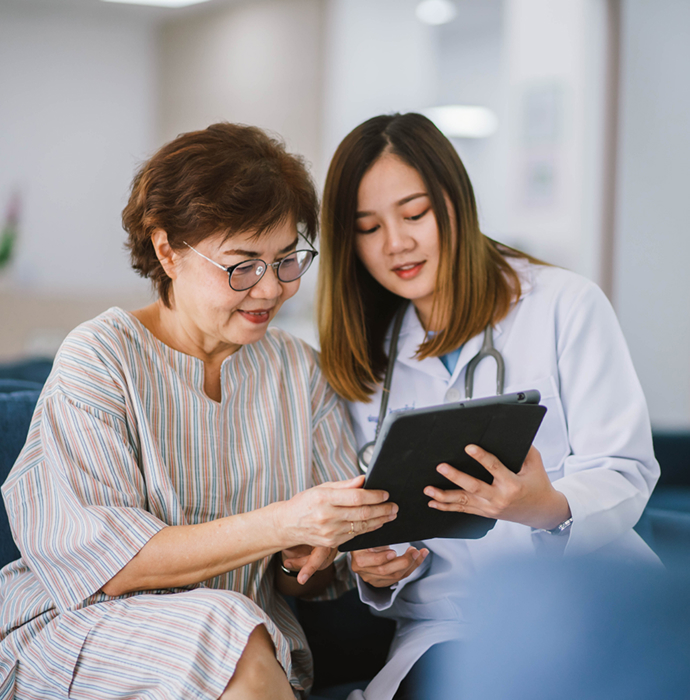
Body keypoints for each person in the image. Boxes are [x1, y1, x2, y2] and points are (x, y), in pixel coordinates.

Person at [0, 123, 398, 700]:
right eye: (242, 265)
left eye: (287, 260)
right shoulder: (102, 356)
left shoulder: (296, 370)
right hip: (80, 630)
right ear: (167, 250)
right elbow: (109, 567)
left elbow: (309, 577)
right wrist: (284, 521)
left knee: (234, 626)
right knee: (225, 627)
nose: (269, 290)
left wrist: (310, 554)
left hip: (243, 639)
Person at [316, 112, 660, 700]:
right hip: (448, 625)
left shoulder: (564, 305)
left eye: (414, 213)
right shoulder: (365, 360)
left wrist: (547, 505)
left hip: (586, 598)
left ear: (456, 202)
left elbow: (626, 467)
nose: (395, 243)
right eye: (368, 227)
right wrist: (382, 563)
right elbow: (385, 518)